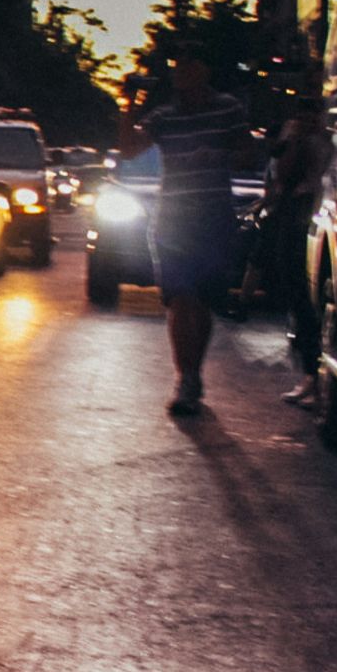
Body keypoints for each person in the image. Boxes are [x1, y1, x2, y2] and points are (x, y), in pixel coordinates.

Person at [117, 41, 259, 416]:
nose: (182, 74)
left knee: (205, 299)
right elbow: (129, 148)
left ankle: (194, 372)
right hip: (174, 218)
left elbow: (248, 153)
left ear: (204, 70)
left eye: (189, 66)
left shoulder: (228, 109)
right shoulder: (164, 116)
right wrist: (127, 104)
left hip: (213, 216)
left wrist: (219, 154)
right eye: (178, 68)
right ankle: (185, 378)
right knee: (181, 297)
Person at [244, 102, 331, 405]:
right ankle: (311, 376)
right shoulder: (309, 140)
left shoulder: (316, 142)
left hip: (304, 216)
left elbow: (285, 176)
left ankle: (312, 376)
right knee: (300, 296)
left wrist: (292, 140)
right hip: (301, 216)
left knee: (303, 297)